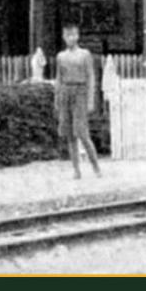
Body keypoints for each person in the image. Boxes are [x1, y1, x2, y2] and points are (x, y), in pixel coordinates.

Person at [55, 22, 102, 179]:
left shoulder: (84, 54)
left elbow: (91, 77)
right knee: (69, 135)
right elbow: (59, 79)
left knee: (82, 132)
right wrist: (57, 100)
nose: (71, 38)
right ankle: (76, 170)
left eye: (73, 35)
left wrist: (90, 100)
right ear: (64, 37)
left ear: (78, 36)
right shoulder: (61, 56)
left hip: (80, 92)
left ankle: (96, 168)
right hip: (65, 93)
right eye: (68, 35)